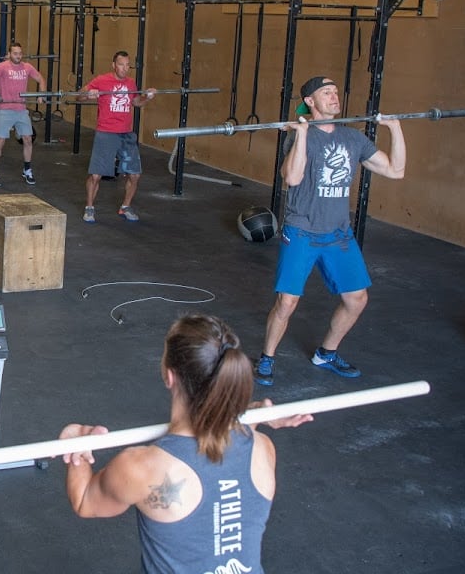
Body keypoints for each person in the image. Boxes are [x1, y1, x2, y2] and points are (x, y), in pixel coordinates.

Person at [59, 314, 312, 573]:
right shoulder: (262, 448)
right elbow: (226, 445)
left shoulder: (144, 468)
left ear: (169, 376)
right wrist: (253, 412)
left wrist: (74, 439)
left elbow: (85, 501)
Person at [253, 76, 405, 386]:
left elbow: (395, 170)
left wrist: (396, 128)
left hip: (338, 234)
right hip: (302, 231)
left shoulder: (354, 139)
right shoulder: (298, 136)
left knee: (357, 300)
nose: (335, 97)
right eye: (326, 92)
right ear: (310, 101)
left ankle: (326, 352)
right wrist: (303, 135)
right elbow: (292, 179)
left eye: (336, 92)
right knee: (287, 303)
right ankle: (267, 357)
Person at [81, 51, 157, 223]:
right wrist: (89, 94)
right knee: (96, 175)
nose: (125, 69)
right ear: (113, 65)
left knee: (135, 174)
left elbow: (136, 103)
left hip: (125, 133)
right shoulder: (101, 80)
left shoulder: (131, 83)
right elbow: (79, 95)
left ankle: (125, 207)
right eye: (121, 65)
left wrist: (147, 97)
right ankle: (90, 208)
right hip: (105, 132)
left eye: (127, 65)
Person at [0, 42, 46, 186]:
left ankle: (27, 170)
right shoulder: (3, 66)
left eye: (20, 53)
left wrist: (41, 94)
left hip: (21, 109)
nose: (18, 56)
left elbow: (41, 79)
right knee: (0, 142)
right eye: (15, 53)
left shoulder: (27, 67)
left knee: (28, 139)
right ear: (9, 54)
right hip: (5, 109)